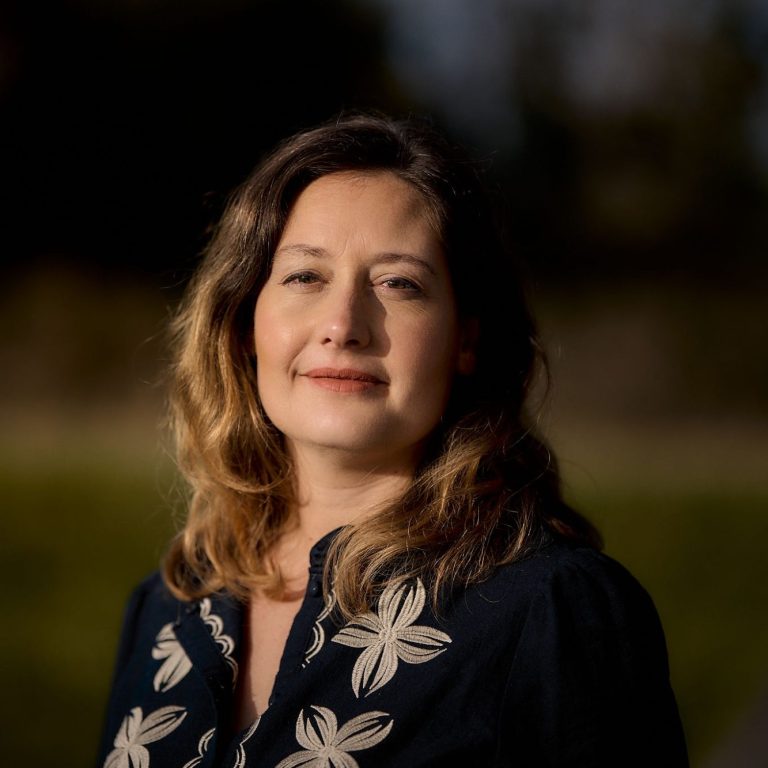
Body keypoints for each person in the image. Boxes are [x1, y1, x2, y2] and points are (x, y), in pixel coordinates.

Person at [97, 113, 688, 768]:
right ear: (244, 323)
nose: (343, 325)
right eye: (305, 277)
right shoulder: (170, 607)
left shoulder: (552, 610)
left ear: (465, 339)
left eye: (398, 283)